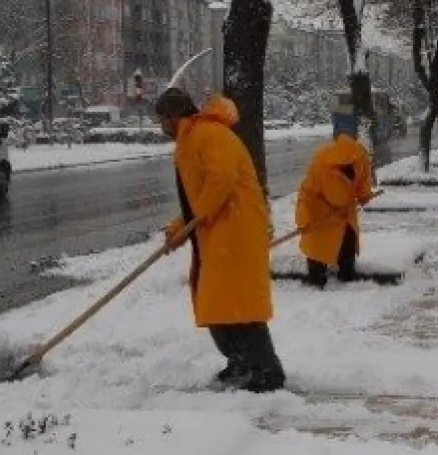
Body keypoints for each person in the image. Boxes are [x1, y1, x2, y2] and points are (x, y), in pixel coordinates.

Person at [157, 87, 285, 393]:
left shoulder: (208, 134)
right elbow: (198, 198)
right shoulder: (191, 140)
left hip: (235, 231)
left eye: (161, 119)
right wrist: (180, 226)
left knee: (239, 305)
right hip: (217, 233)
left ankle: (267, 371)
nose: (160, 127)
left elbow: (222, 178)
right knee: (214, 302)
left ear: (172, 117)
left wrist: (196, 219)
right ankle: (239, 360)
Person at [294, 132, 375, 288]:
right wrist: (303, 217)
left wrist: (364, 194)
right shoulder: (321, 162)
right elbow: (306, 193)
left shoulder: (360, 157)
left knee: (348, 243)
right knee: (317, 249)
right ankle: (316, 282)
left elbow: (364, 179)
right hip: (321, 212)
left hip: (346, 212)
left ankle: (347, 278)